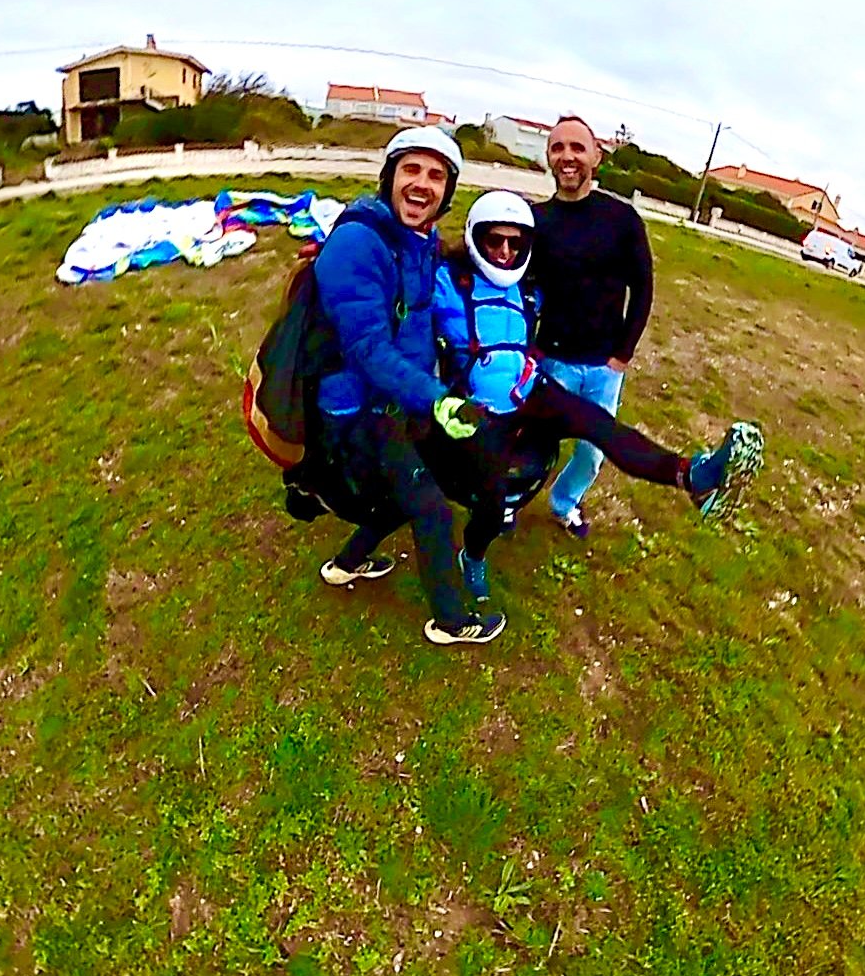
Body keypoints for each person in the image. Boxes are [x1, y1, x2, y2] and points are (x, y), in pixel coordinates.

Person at [429, 190, 764, 600]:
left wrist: (619, 346)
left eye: (515, 244)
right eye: (493, 240)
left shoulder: (527, 286)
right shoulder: (445, 281)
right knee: (492, 499)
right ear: (473, 237)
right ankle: (474, 556)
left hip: (530, 391)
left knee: (600, 425)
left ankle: (693, 475)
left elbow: (583, 282)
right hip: (477, 407)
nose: (504, 252)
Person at [309, 126, 503, 646]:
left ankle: (345, 565)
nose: (422, 184)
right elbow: (367, 349)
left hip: (399, 400)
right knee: (431, 508)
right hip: (357, 411)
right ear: (389, 177)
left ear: (447, 192)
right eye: (411, 169)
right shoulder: (359, 243)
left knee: (407, 496)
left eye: (436, 176)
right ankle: (452, 622)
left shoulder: (419, 241)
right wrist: (437, 399)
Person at [529, 115, 655, 538]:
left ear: (596, 157)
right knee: (533, 442)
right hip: (551, 360)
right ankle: (509, 501)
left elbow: (643, 288)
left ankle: (564, 503)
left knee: (592, 452)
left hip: (604, 366)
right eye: (558, 147)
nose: (567, 156)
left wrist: (623, 354)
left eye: (577, 148)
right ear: (549, 156)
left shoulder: (622, 219)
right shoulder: (536, 220)